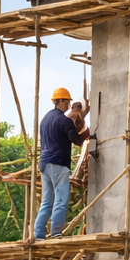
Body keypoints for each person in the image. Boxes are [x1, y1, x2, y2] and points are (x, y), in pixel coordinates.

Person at [34, 88, 90, 239]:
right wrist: (88, 132)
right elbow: (77, 140)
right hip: (58, 163)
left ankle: (39, 234)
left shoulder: (45, 119)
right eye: (67, 101)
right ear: (61, 101)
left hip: (44, 164)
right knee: (61, 198)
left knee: (47, 201)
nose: (68, 105)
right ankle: (57, 232)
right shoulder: (64, 120)